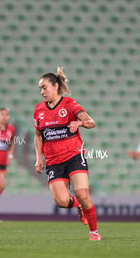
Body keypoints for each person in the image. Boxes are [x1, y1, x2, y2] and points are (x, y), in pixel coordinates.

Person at [33, 67, 100, 241]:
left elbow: (91, 122)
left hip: (74, 156)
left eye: (44, 87)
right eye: (40, 88)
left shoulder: (69, 104)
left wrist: (79, 123)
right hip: (53, 161)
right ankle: (78, 206)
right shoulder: (39, 110)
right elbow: (38, 134)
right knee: (62, 201)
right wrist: (39, 158)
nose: (42, 92)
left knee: (83, 194)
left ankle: (94, 231)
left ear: (55, 86)